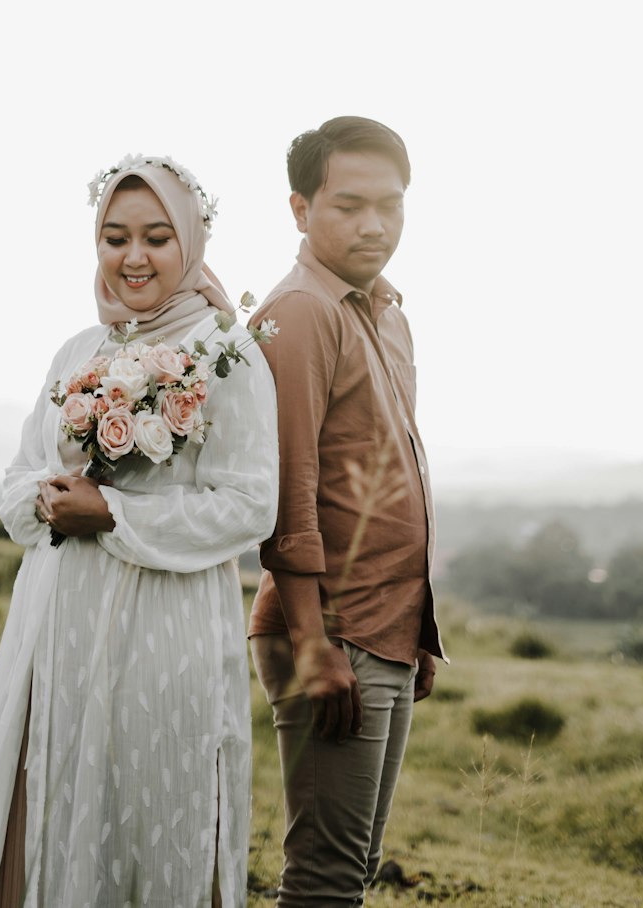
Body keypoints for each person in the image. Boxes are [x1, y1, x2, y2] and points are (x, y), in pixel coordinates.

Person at [0, 155, 278, 908]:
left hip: (166, 631)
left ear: (192, 243)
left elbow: (250, 505)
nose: (134, 257)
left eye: (158, 238)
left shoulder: (226, 354)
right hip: (57, 626)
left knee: (151, 799)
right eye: (115, 237)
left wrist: (118, 515)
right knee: (51, 795)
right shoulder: (77, 352)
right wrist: (48, 500)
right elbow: (16, 485)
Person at [248, 116, 446, 907]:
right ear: (300, 209)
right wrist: (311, 641)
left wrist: (415, 632)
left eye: (391, 206)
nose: (375, 225)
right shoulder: (300, 313)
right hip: (329, 631)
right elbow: (288, 488)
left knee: (354, 868)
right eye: (349, 205)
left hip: (383, 628)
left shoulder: (387, 312)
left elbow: (390, 473)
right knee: (326, 883)